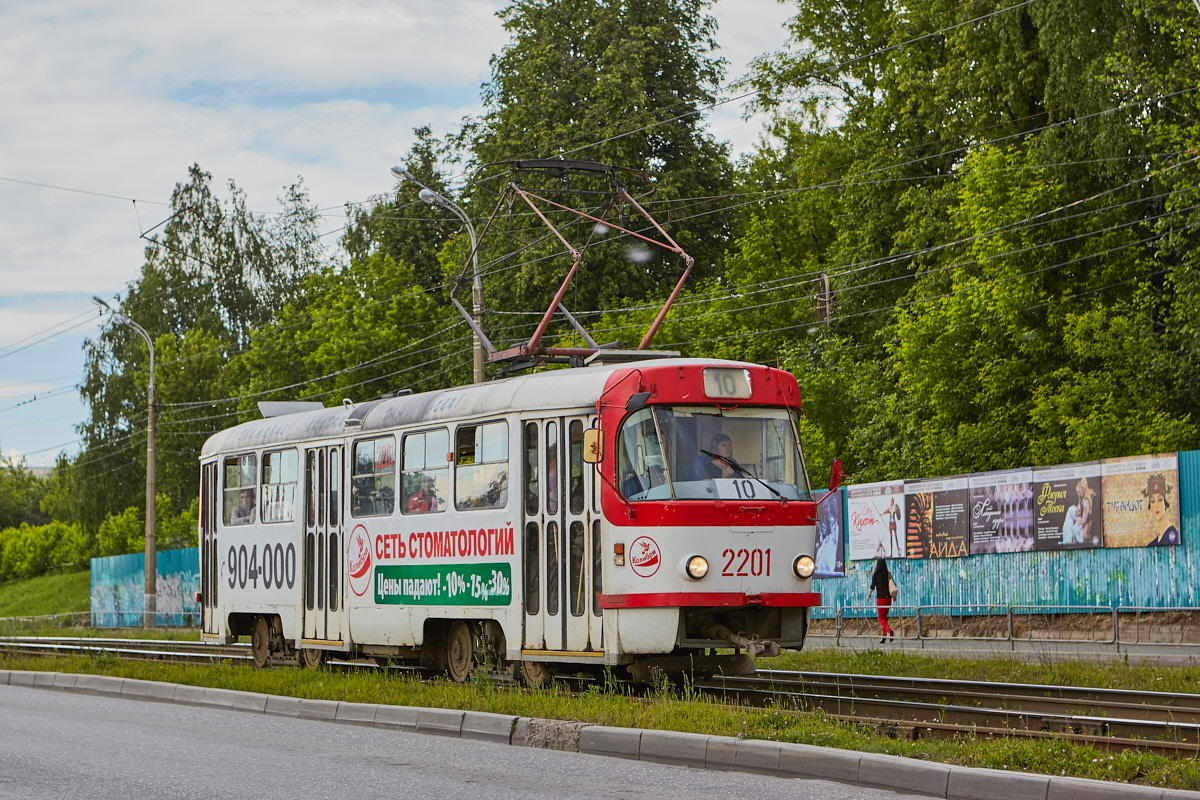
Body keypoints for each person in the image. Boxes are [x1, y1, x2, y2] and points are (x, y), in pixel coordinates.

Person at [1144, 473, 1180, 547]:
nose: (1156, 506)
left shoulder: (1173, 535)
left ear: (1165, 502)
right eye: (1153, 501)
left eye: (1160, 500)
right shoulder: (1153, 542)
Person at [869, 557, 895, 643]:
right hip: (888, 599)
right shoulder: (888, 574)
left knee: (881, 619)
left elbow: (872, 586)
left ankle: (889, 631)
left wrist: (868, 595)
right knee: (885, 618)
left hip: (880, 599)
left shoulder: (876, 574)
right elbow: (893, 585)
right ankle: (883, 638)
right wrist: (894, 597)